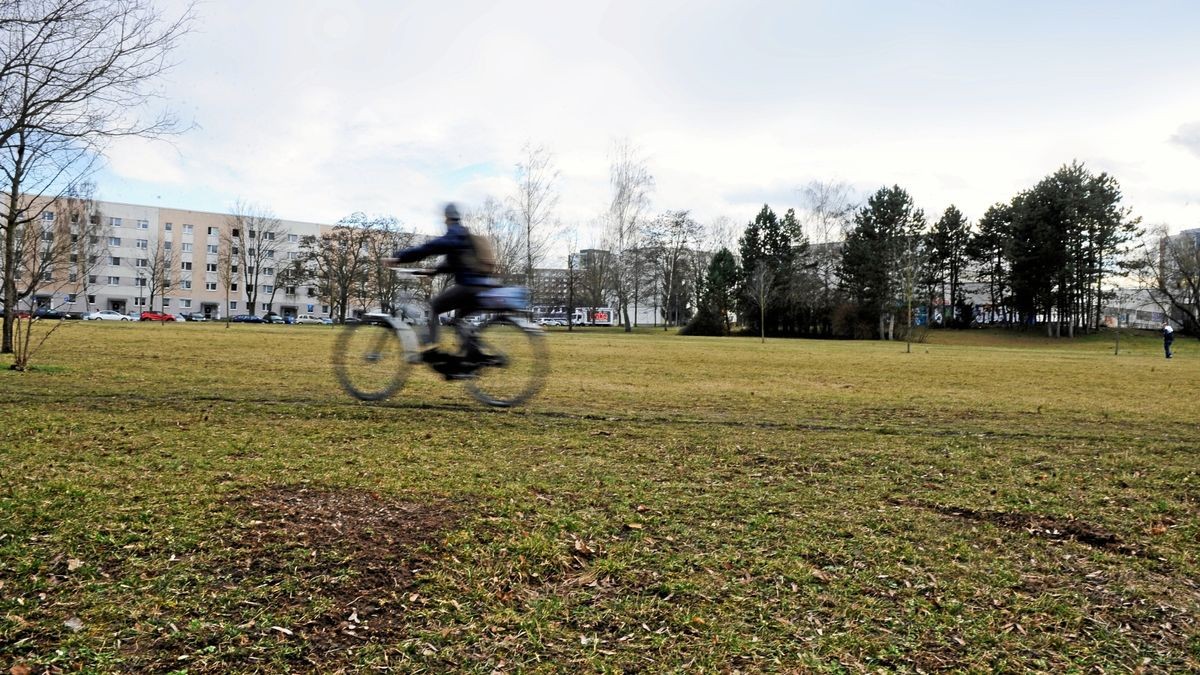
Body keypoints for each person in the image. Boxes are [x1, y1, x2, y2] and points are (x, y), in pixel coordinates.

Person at [385, 203, 498, 369]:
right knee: (459, 321)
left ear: (446, 218)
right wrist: (432, 271)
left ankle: (432, 348)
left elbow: (428, 248)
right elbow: (453, 264)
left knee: (434, 306)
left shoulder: (455, 234)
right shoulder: (464, 237)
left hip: (469, 286)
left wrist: (399, 257)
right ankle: (472, 357)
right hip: (482, 287)